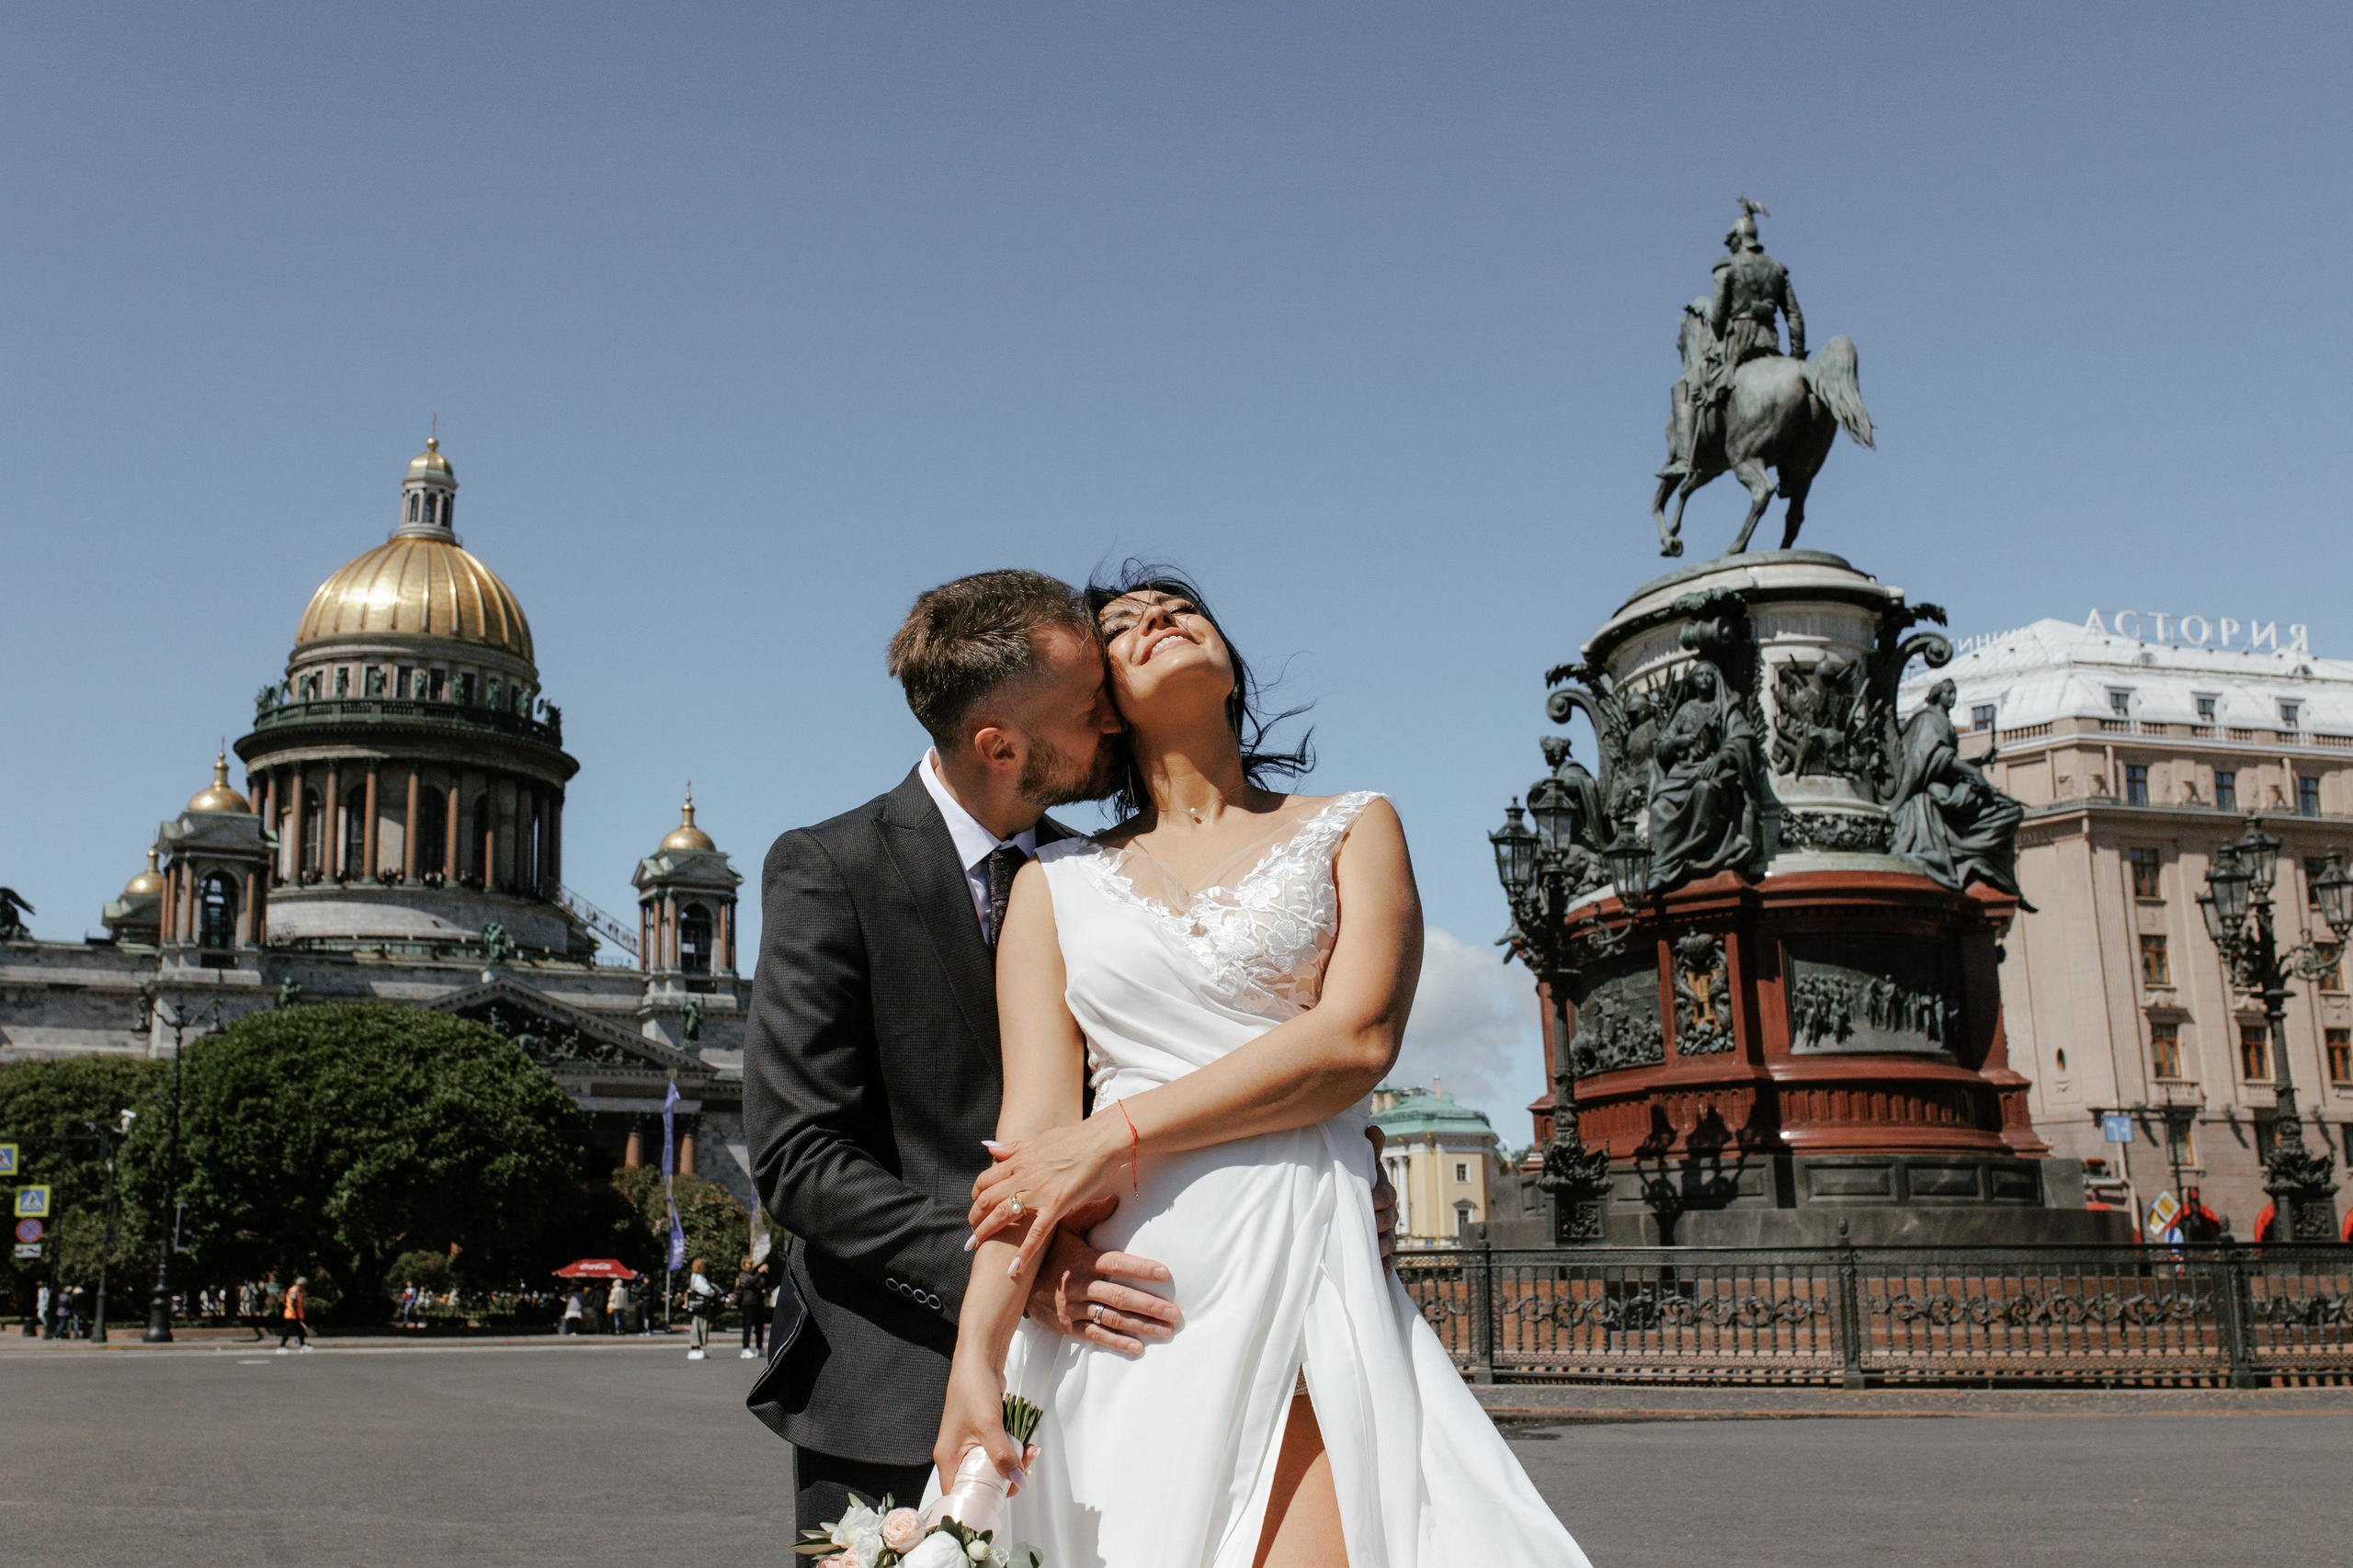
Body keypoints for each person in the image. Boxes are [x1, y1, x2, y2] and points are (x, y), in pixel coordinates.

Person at [932, 568, 1589, 1565]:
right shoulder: (1050, 885)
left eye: (1181, 609)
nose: (1159, 619)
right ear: (1100, 705)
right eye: (1122, 624)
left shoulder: (1352, 823)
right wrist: (974, 1356)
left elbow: (1356, 1039)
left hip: (1300, 1260)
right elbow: (1025, 1143)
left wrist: (1117, 1128)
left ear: (1230, 667)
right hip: (1121, 1303)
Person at [745, 569, 1404, 1535]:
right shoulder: (831, 866)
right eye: (1088, 705)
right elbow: (800, 1159)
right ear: (999, 744)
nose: (1108, 718)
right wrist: (1022, 1279)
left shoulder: (1085, 873)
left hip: (1139, 1326)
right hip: (894, 1367)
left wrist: (1341, 1150)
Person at [682, 1259, 719, 1359]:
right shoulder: (698, 1277)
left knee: (698, 1325)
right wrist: (712, 1292)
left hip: (697, 1306)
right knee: (699, 1325)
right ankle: (696, 1346)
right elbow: (704, 1289)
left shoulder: (697, 1277)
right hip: (700, 1306)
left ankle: (697, 1346)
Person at [734, 1256, 767, 1359]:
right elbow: (749, 1283)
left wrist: (762, 1274)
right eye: (748, 1263)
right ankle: (745, 1348)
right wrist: (758, 1273)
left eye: (751, 1263)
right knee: (747, 1326)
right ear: (744, 1265)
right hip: (748, 1303)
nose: (751, 1265)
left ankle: (759, 1347)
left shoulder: (755, 1275)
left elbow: (761, 1283)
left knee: (759, 1327)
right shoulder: (742, 1275)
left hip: (758, 1302)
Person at [276, 1278, 311, 1353]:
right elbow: (293, 1304)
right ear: (301, 1285)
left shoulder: (297, 1291)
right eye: (304, 1286)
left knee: (300, 1330)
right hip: (291, 1315)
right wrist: (296, 1315)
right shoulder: (293, 1291)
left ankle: (302, 1345)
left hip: (294, 1315)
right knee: (288, 1331)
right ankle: (281, 1347)